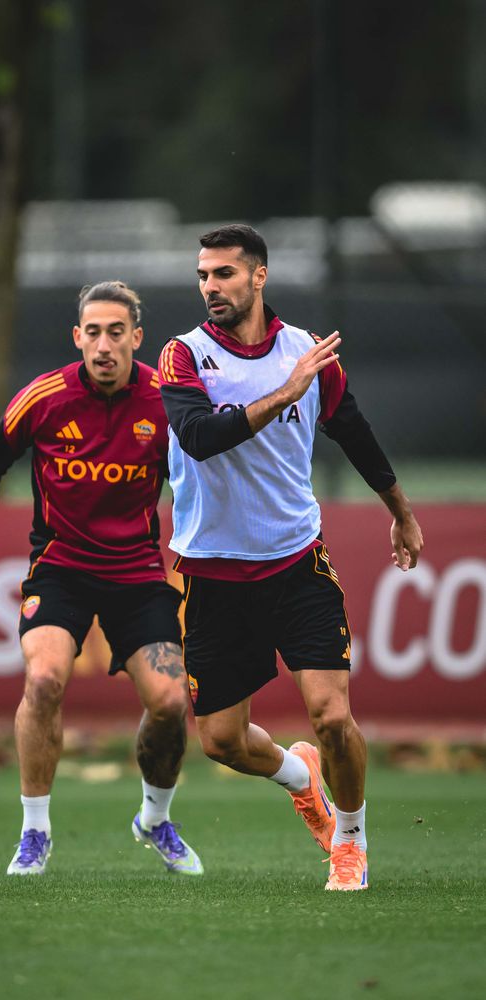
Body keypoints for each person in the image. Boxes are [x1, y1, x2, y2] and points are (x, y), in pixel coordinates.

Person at [158, 224, 423, 891]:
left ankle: (351, 842)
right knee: (220, 741)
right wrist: (284, 391)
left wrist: (401, 510)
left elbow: (352, 429)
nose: (210, 287)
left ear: (259, 276)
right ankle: (301, 779)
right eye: (203, 275)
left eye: (223, 274)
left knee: (333, 715)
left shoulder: (308, 351)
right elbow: (197, 437)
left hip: (295, 562)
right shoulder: (182, 355)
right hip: (213, 574)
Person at [0, 280, 203, 877]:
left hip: (138, 573)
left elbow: (204, 479)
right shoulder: (44, 397)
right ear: (77, 338)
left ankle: (155, 818)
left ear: (136, 339)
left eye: (116, 333)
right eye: (92, 332)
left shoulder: (165, 401)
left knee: (171, 702)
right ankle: (34, 834)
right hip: (61, 568)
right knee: (43, 680)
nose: (104, 345)